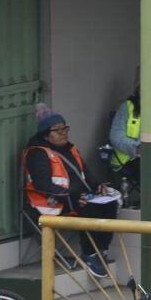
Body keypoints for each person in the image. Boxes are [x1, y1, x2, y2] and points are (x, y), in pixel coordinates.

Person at [23, 104, 119, 278]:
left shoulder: (70, 150)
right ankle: (89, 254)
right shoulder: (37, 154)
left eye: (65, 128)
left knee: (110, 204)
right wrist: (73, 197)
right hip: (51, 204)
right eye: (57, 130)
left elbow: (86, 174)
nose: (63, 133)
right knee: (89, 208)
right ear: (46, 134)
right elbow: (43, 186)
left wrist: (98, 187)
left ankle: (101, 250)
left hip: (74, 197)